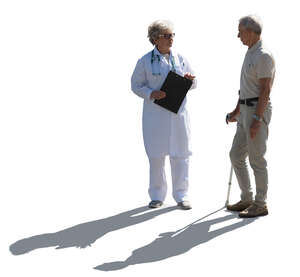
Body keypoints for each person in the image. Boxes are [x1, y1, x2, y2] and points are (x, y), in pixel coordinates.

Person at [131, 20, 197, 210]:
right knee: (156, 156)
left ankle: (181, 195)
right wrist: (151, 93)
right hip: (156, 117)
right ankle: (157, 195)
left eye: (172, 35)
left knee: (181, 155)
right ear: (155, 39)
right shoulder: (144, 61)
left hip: (178, 116)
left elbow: (195, 81)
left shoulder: (180, 58)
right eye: (166, 36)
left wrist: (189, 81)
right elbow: (135, 85)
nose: (171, 39)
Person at [226, 15, 275, 217]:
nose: (238, 35)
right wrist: (236, 111)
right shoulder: (250, 53)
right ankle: (247, 198)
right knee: (236, 155)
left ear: (251, 31)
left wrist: (256, 119)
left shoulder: (263, 55)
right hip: (245, 110)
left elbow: (265, 90)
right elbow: (244, 88)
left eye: (240, 31)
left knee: (256, 159)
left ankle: (260, 203)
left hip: (256, 110)